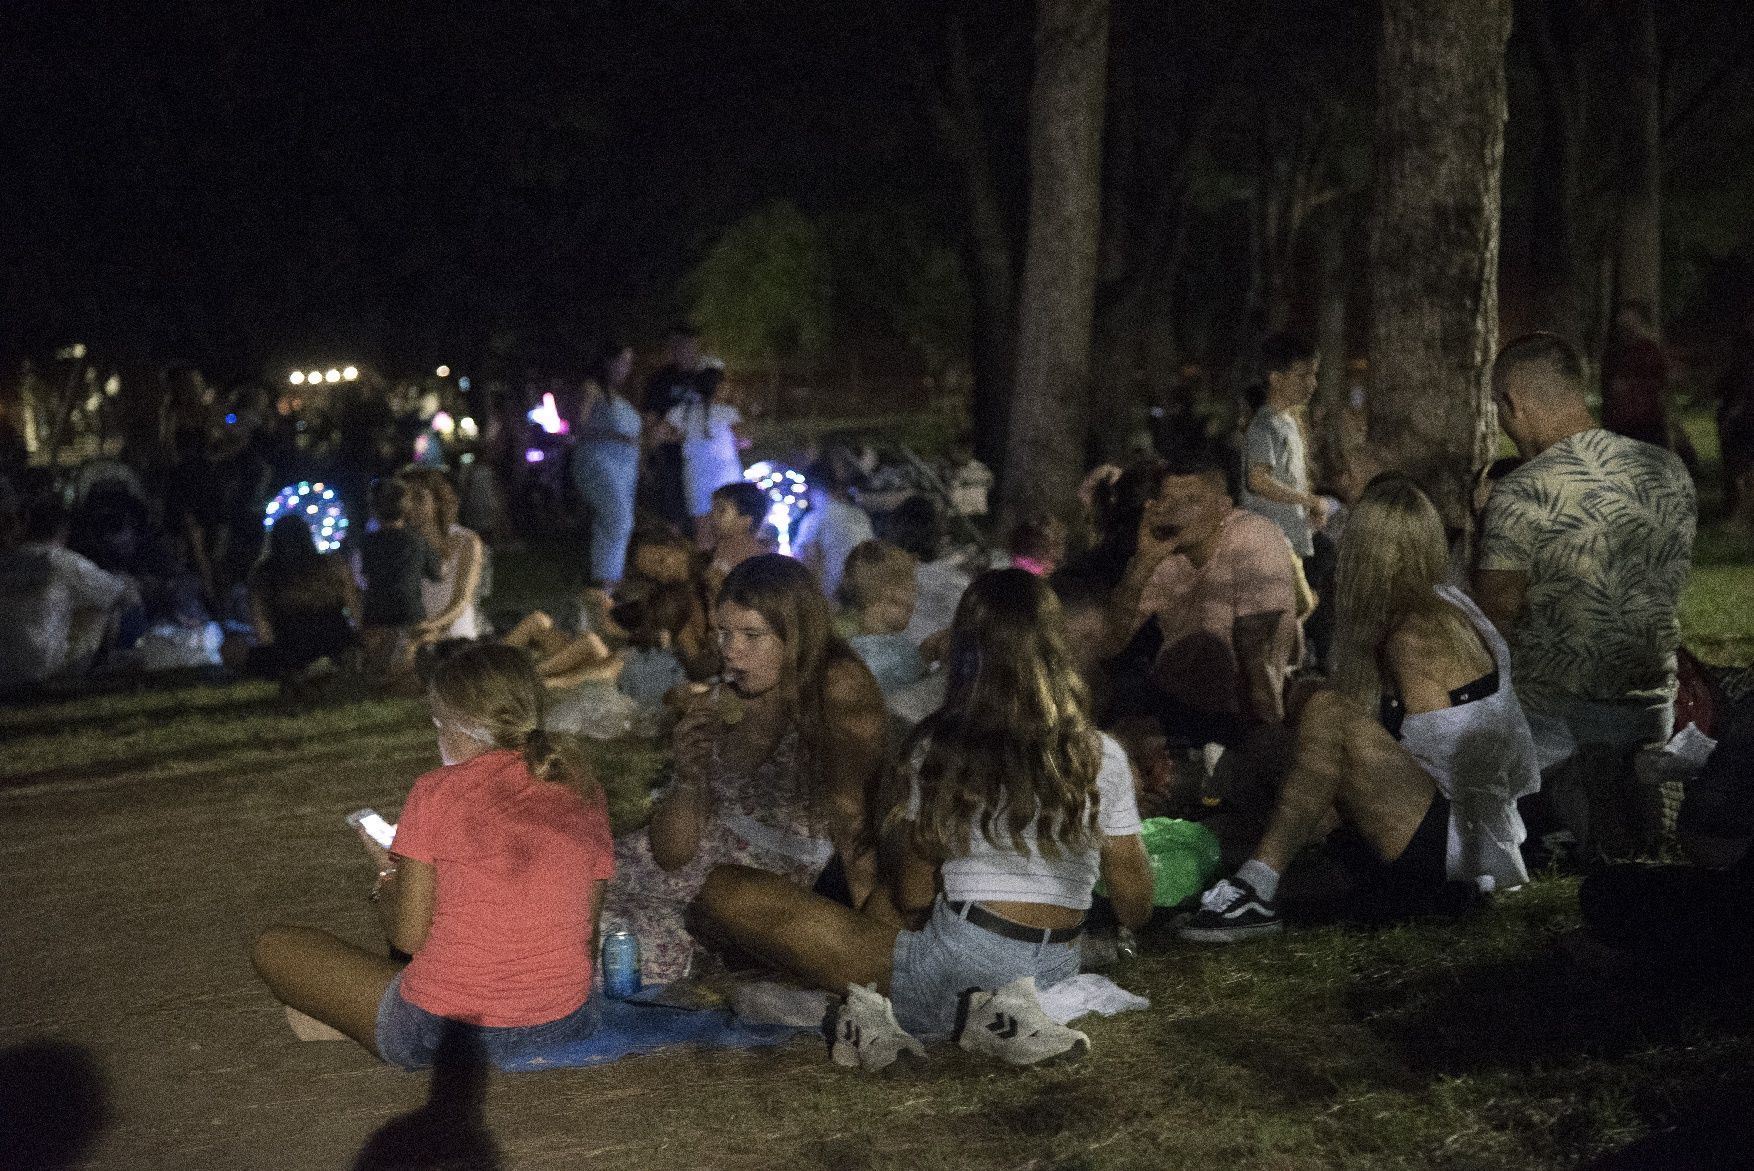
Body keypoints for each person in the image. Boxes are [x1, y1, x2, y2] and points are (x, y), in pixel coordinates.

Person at [690, 569, 1155, 1069]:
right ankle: (992, 1012)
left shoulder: (941, 750)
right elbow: (1133, 903)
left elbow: (913, 895)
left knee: (724, 891)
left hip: (957, 969)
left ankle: (869, 1004)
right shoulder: (1101, 754)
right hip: (1057, 965)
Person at [1180, 474, 1540, 942]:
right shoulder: (1447, 603)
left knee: (1327, 715)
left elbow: (1452, 764)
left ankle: (1256, 887)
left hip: (1464, 847)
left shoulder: (1414, 635)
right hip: (1452, 825)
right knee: (1284, 742)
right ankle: (1243, 875)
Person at [250, 643, 615, 1069]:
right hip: (565, 1021)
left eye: (437, 725)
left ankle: (371, 1019)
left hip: (447, 1033)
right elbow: (586, 927)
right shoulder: (582, 788)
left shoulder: (436, 792)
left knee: (275, 947)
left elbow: (407, 938)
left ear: (456, 725)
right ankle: (363, 1014)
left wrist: (389, 873)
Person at [601, 555, 886, 984]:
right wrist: (688, 776)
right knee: (566, 880)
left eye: (752, 635)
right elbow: (670, 852)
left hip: (751, 888)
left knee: (593, 933)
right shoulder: (733, 691)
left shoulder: (835, 689)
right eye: (724, 632)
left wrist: (873, 950)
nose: (732, 650)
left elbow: (854, 825)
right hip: (685, 863)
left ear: (798, 635)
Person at [1476, 333, 1696, 854]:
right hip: (1653, 701)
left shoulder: (1524, 490)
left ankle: (1566, 796)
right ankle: (1631, 784)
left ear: (1513, 402)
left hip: (1557, 716)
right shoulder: (1667, 471)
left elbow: (1493, 620)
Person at [1102, 444, 1302, 748]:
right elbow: (1109, 643)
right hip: (1179, 707)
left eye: (1192, 500)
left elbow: (1255, 658)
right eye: (1169, 499)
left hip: (1242, 714)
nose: (1177, 510)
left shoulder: (1252, 537)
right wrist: (1142, 564)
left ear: (1224, 508)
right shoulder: (1165, 551)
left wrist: (1260, 742)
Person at [0, 490, 140, 691]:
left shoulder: (7, 560)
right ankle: (90, 677)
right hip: (40, 671)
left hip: (4, 673)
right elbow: (120, 594)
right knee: (106, 604)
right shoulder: (65, 563)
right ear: (64, 530)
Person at [1240, 333, 1327, 566]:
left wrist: (1307, 512)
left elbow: (1288, 480)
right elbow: (1257, 480)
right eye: (1303, 375)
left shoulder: (1289, 421)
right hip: (1269, 547)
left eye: (1314, 375)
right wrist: (1308, 500)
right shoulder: (1264, 424)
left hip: (1289, 543)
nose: (1312, 383)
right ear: (1275, 378)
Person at [571, 342, 642, 619]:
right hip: (598, 462)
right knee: (619, 518)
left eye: (630, 362)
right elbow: (579, 426)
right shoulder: (592, 389)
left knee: (612, 523)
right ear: (608, 361)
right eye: (623, 360)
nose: (627, 367)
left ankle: (606, 588)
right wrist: (615, 436)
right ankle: (606, 584)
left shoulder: (620, 395)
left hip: (625, 467)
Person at [243, 514, 359, 682]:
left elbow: (263, 632)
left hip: (291, 652)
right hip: (336, 643)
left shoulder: (264, 575)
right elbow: (355, 607)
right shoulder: (332, 565)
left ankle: (301, 671)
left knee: (232, 649)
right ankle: (326, 665)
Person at [355, 478, 440, 681]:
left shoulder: (368, 542)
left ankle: (381, 670)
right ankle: (406, 669)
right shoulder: (417, 540)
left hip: (376, 608)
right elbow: (436, 573)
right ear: (407, 508)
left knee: (381, 655)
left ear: (374, 510)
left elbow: (365, 573)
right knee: (423, 642)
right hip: (409, 609)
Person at [402, 468, 487, 644]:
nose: (411, 507)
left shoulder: (467, 541)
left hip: (454, 632)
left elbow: (462, 600)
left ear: (438, 501)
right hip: (415, 634)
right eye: (406, 499)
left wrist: (431, 627)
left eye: (419, 497)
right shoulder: (402, 545)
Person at [665, 359, 748, 531]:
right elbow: (745, 441)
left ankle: (705, 558)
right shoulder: (728, 412)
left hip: (696, 474)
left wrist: (681, 438)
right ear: (719, 387)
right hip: (727, 476)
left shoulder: (683, 411)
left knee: (703, 531)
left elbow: (659, 433)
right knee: (729, 529)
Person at [642, 326, 710, 531]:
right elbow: (651, 416)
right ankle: (673, 550)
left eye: (689, 345)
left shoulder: (706, 379)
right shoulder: (661, 379)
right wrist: (659, 439)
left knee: (701, 508)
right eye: (679, 346)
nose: (684, 350)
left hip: (701, 455)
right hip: (671, 454)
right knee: (673, 505)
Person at [836, 539, 926, 694]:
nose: (914, 603)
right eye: (911, 589)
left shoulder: (842, 652)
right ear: (891, 594)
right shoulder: (900, 657)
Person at [794, 446, 875, 600]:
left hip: (834, 602)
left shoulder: (814, 520)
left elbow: (806, 565)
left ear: (814, 489)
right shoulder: (860, 515)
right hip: (864, 597)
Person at [1600, 301, 1669, 449]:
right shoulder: (1615, 353)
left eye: (1630, 321)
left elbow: (1658, 383)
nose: (1626, 325)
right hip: (1622, 421)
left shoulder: (1649, 351)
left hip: (1646, 421)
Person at [702, 481, 771, 590]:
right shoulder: (724, 545)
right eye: (713, 510)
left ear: (745, 520)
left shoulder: (745, 549)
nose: (712, 516)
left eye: (721, 511)